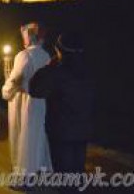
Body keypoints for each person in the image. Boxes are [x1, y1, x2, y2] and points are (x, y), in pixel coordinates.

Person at [30, 32, 94, 182]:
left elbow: (35, 89)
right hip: (83, 129)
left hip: (61, 131)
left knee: (63, 175)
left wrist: (50, 65)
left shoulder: (56, 71)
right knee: (77, 172)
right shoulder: (87, 71)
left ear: (59, 51)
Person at [2, 22, 52, 175]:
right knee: (37, 133)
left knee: (24, 134)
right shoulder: (45, 55)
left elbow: (16, 79)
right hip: (41, 101)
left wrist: (6, 91)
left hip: (24, 101)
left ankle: (23, 172)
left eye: (25, 36)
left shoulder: (24, 55)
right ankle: (39, 166)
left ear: (30, 37)